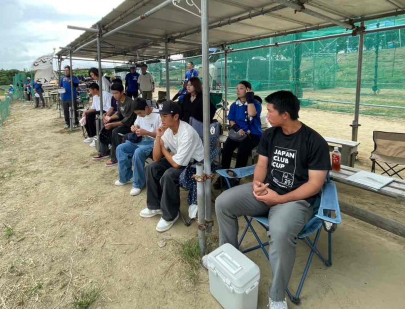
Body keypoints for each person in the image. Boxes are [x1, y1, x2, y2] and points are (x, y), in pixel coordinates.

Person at [206, 91, 331, 309]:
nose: (267, 114)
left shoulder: (314, 141)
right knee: (223, 202)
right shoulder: (270, 134)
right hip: (267, 192)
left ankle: (277, 296)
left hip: (296, 201)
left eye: (271, 110)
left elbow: (315, 184)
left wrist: (280, 198)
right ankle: (227, 258)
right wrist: (257, 184)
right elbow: (262, 165)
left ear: (285, 114)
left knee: (281, 232)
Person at [140, 101, 204, 232]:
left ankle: (170, 215)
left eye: (165, 116)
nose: (161, 119)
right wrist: (158, 137)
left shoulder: (187, 132)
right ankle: (155, 206)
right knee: (152, 167)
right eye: (161, 116)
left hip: (195, 165)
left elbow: (176, 164)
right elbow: (156, 158)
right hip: (179, 159)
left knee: (169, 175)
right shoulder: (168, 130)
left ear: (175, 117)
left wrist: (163, 148)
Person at [115, 98, 162, 196]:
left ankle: (138, 184)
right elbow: (136, 124)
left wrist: (147, 133)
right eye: (137, 114)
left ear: (146, 108)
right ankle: (126, 177)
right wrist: (134, 128)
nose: (139, 115)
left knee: (138, 152)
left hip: (154, 142)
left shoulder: (159, 115)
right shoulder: (140, 115)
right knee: (121, 148)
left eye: (140, 113)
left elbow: (163, 135)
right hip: (140, 140)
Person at [221, 81, 263, 169]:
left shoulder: (255, 103)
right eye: (237, 89)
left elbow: (252, 114)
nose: (238, 91)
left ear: (248, 90)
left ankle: (236, 177)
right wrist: (237, 129)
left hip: (253, 135)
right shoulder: (234, 105)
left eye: (241, 88)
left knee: (242, 151)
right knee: (226, 150)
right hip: (238, 133)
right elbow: (231, 120)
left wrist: (250, 99)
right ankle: (224, 175)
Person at [94, 82, 136, 166]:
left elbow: (127, 121)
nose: (114, 95)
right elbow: (119, 114)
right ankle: (103, 152)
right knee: (105, 128)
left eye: (116, 93)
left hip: (131, 126)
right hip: (123, 123)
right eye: (113, 93)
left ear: (122, 92)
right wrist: (109, 118)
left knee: (115, 131)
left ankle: (115, 158)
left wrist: (112, 124)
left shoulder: (130, 102)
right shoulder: (119, 101)